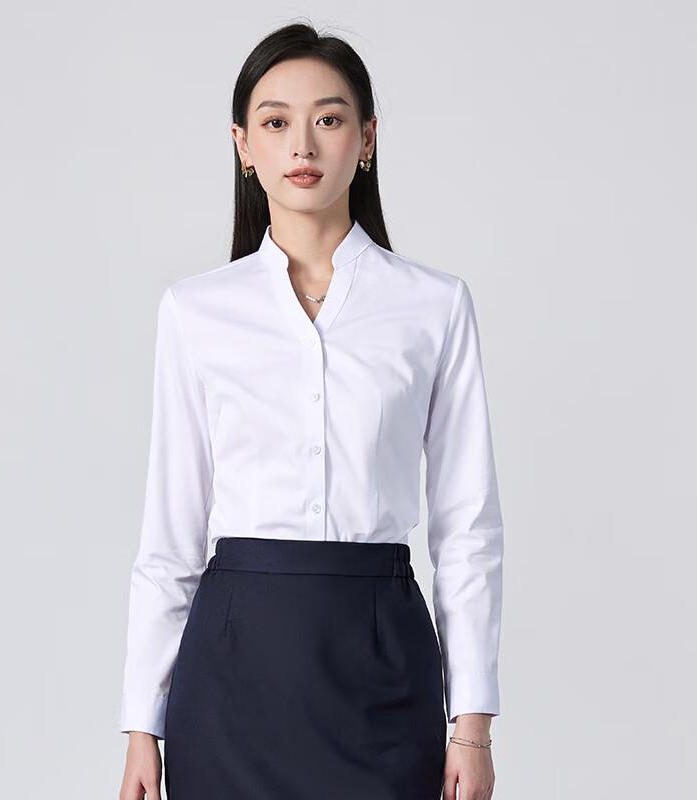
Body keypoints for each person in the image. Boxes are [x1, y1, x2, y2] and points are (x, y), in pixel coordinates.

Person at [118, 22, 504, 800]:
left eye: (329, 118)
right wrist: (140, 728)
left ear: (367, 139)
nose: (302, 144)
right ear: (242, 144)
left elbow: (468, 530)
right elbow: (170, 536)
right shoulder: (196, 311)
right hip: (231, 673)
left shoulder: (433, 306)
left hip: (383, 668)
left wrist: (472, 725)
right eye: (275, 122)